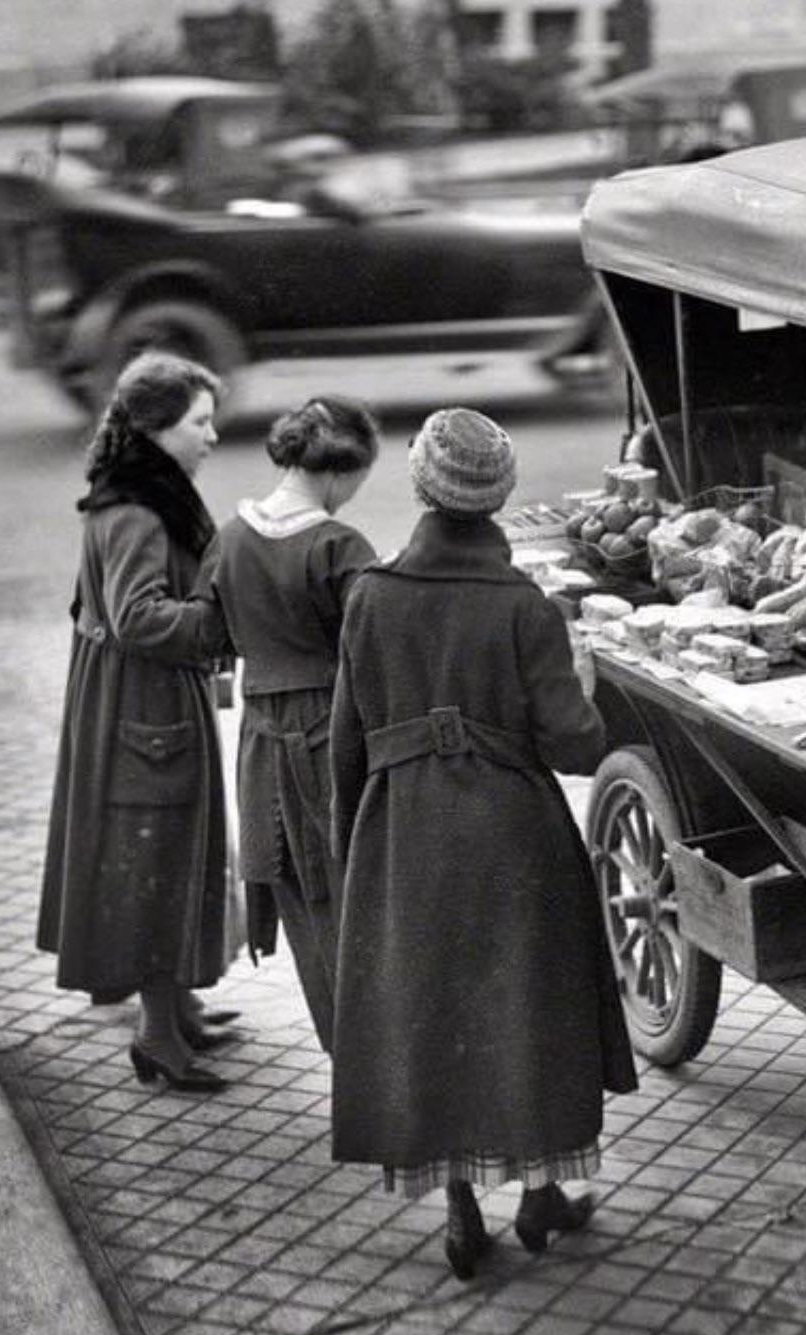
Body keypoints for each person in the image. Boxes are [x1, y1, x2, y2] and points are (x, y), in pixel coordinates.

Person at [328, 407, 637, 1278]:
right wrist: (584, 679)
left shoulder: (371, 597)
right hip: (513, 835)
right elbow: (575, 745)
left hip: (403, 831)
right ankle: (542, 1192)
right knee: (529, 1011)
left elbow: (345, 742)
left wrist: (356, 848)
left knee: (437, 1016)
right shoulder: (524, 608)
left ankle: (462, 1208)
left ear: (422, 487)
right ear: (497, 501)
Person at [37, 351, 236, 1093]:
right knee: (157, 857)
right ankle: (158, 1039)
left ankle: (175, 1004)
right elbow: (136, 616)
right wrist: (221, 617)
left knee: (168, 849)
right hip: (142, 705)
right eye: (200, 422)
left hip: (137, 699)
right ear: (155, 429)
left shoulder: (138, 490)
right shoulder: (140, 510)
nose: (213, 435)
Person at [209, 396, 379, 1052]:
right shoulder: (339, 545)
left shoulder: (229, 537)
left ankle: (344, 1049)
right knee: (354, 892)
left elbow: (215, 629)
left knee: (301, 901)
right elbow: (375, 644)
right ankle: (376, 1060)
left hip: (260, 738)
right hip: (328, 730)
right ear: (338, 470)